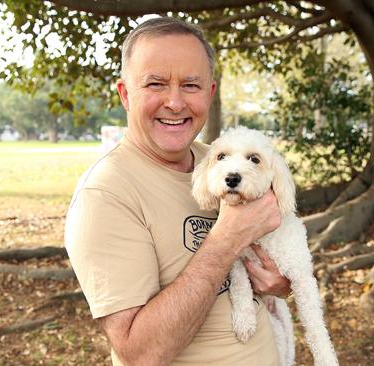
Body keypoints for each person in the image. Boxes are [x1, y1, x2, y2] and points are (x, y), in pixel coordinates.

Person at [65, 17, 291, 365]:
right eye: (155, 83)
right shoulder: (106, 194)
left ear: (210, 93)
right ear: (125, 94)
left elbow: (282, 264)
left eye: (190, 85)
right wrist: (226, 241)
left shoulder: (221, 161)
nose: (174, 102)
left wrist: (280, 282)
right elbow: (140, 355)